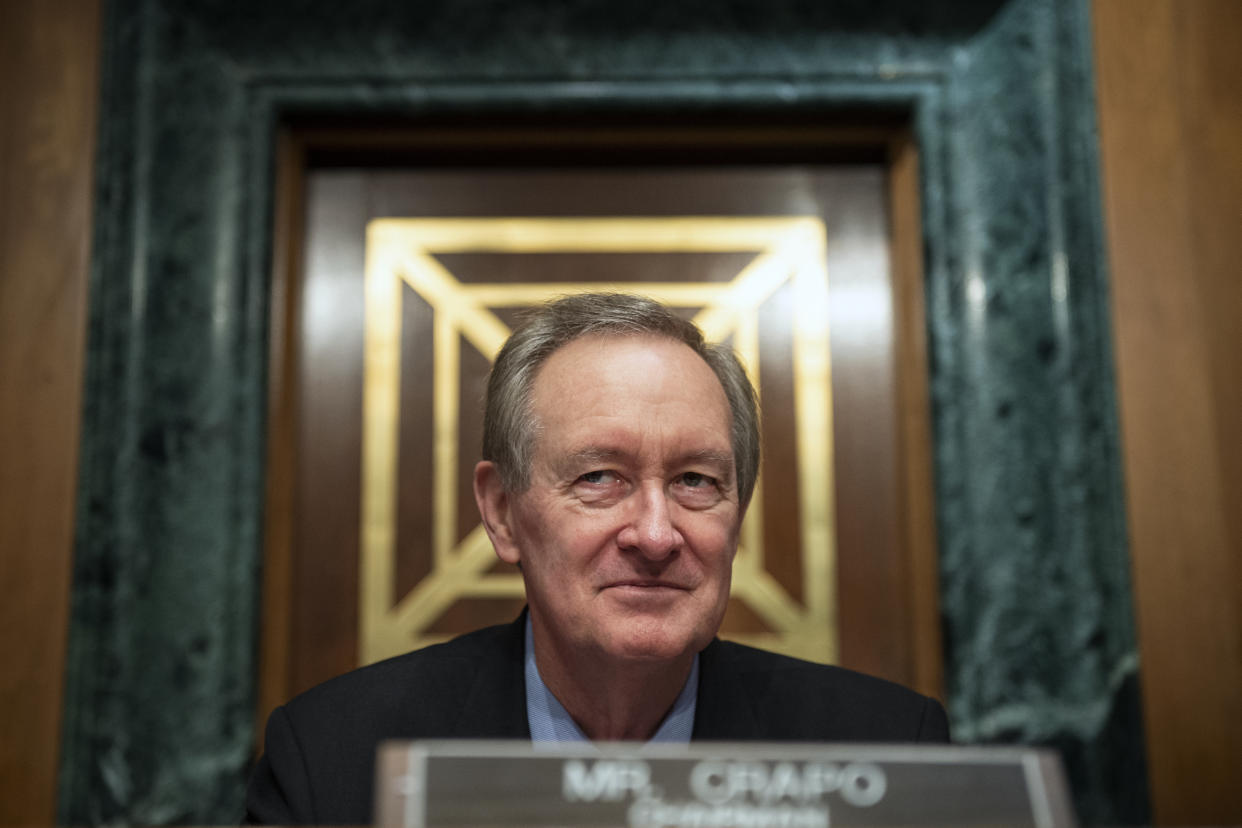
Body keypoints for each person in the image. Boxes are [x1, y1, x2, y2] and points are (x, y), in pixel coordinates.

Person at [244, 292, 949, 825]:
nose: (654, 534)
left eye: (695, 482)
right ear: (501, 512)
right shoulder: (335, 763)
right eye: (599, 478)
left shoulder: (889, 754)